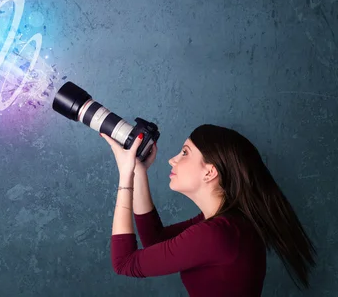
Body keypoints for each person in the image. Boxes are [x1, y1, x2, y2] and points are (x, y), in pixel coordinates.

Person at [102, 124, 317, 297]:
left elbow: (124, 263)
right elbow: (155, 241)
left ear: (210, 172)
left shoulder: (216, 234)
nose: (172, 159)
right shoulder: (225, 224)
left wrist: (125, 175)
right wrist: (139, 173)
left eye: (185, 152)